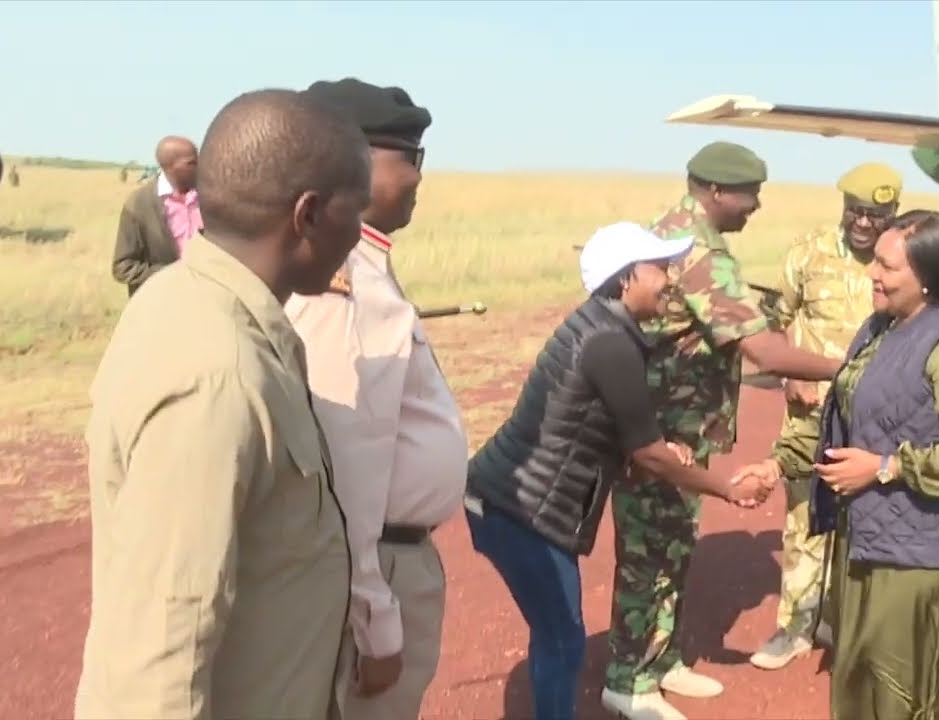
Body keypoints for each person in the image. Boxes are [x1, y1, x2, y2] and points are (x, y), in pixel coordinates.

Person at [75, 89, 371, 720]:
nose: (362, 233)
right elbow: (160, 665)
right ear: (309, 214)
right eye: (358, 209)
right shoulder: (218, 377)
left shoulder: (197, 303)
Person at [464, 221, 778, 720]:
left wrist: (658, 446)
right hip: (519, 511)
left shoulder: (602, 328)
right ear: (627, 278)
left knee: (556, 634)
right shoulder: (609, 344)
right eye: (660, 268)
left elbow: (626, 433)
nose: (671, 279)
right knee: (563, 639)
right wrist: (727, 486)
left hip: (508, 500)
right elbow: (649, 455)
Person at [602, 141, 843, 720]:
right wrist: (848, 366)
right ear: (715, 191)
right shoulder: (696, 251)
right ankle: (627, 682)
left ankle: (659, 662)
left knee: (674, 547)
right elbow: (763, 349)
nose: (755, 205)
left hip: (678, 425)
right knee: (649, 555)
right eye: (749, 194)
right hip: (656, 430)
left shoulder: (672, 231)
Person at [739, 208, 939, 720]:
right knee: (862, 684)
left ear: (927, 279)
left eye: (887, 267)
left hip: (929, 558)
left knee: (916, 695)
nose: (872, 274)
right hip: (870, 540)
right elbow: (844, 419)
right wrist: (778, 466)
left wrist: (886, 468)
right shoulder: (878, 328)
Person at [284, 77, 466, 720]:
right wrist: (375, 616)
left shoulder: (361, 265)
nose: (418, 177)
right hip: (376, 563)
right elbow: (345, 462)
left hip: (389, 557)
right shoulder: (340, 281)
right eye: (408, 158)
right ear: (350, 160)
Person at [750, 162, 903, 671]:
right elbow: (774, 323)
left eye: (876, 215)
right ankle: (795, 627)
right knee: (803, 521)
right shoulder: (808, 252)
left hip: (878, 414)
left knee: (869, 517)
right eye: (856, 211)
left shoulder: (901, 261)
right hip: (810, 410)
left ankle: (848, 623)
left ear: (892, 215)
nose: (864, 223)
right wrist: (790, 371)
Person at [111, 135, 201, 296]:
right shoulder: (139, 204)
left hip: (204, 301)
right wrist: (176, 274)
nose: (200, 166)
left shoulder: (209, 197)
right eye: (192, 163)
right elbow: (123, 268)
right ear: (169, 167)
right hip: (160, 304)